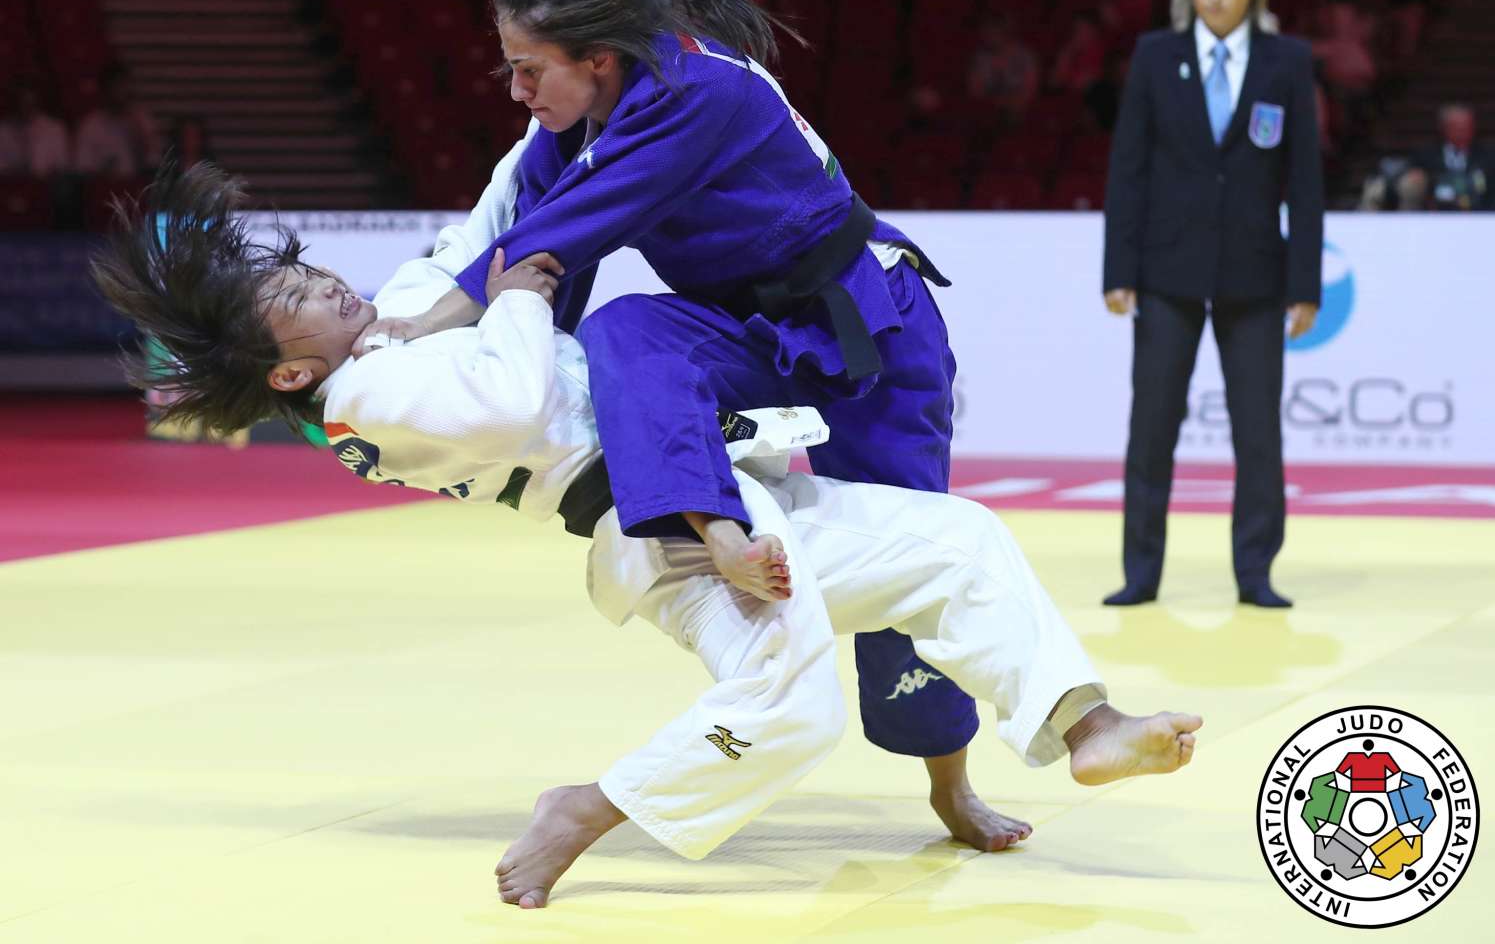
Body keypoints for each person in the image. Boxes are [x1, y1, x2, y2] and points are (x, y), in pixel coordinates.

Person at [90, 162, 1204, 909]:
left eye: (303, 266)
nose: (322, 281)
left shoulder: (389, 331)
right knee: (796, 703)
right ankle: (589, 808)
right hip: (654, 516)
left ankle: (1085, 720)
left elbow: (488, 220)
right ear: (290, 370)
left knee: (955, 541)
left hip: (711, 474)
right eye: (299, 294)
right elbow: (513, 397)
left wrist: (556, 115)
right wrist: (524, 291)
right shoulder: (367, 404)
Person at [352, 0, 1006, 846]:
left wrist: (418, 328)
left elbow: (559, 236)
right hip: (745, 329)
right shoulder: (575, 116)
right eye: (509, 68)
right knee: (627, 330)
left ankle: (949, 784)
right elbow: (538, 252)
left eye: (529, 69)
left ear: (600, 57)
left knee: (918, 548)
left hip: (866, 321)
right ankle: (715, 532)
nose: (516, 91)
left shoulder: (702, 93)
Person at [1101, 0, 1324, 609]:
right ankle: (1140, 573)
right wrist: (1118, 268)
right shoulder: (1152, 56)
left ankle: (1254, 573)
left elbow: (1306, 180)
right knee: (1152, 426)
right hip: (1165, 272)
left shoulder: (1285, 61)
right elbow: (1127, 171)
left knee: (1257, 430)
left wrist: (1304, 282)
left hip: (1256, 276)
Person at [75, 63, 162, 177]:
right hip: (103, 189)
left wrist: (141, 136)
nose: (121, 92)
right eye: (116, 86)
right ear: (105, 89)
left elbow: (155, 162)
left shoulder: (142, 120)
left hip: (137, 189)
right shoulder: (91, 126)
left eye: (124, 86)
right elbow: (83, 169)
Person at [1406, 103, 1493, 211]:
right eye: (1457, 126)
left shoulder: (1488, 155)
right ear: (1443, 128)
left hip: (1480, 210)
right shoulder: (1427, 154)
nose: (1463, 130)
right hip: (1435, 209)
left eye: (1467, 126)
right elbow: (1410, 172)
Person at [0, 77, 70, 177]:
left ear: (37, 101)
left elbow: (63, 170)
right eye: (22, 102)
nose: (26, 109)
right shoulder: (2, 131)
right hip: (10, 189)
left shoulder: (55, 130)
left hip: (45, 189)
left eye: (30, 104)